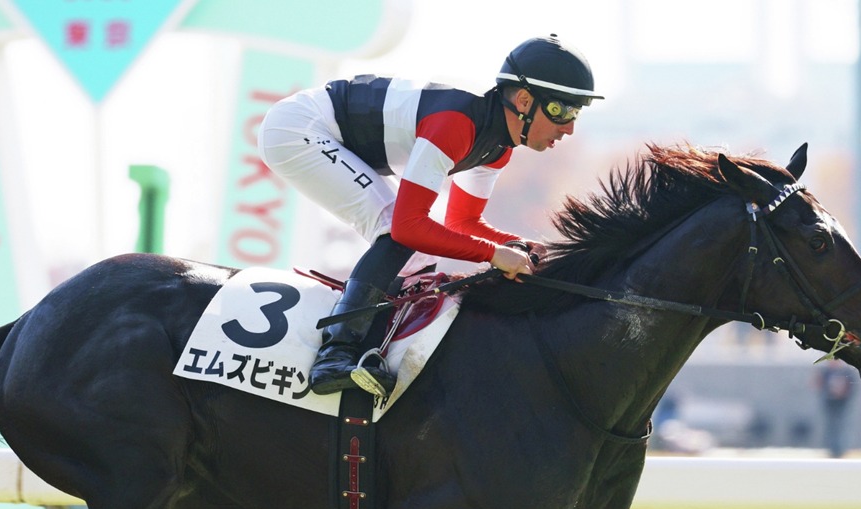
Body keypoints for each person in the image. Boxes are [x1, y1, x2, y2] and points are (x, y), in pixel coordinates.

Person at [258, 34, 603, 397]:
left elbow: (461, 224)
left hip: (327, 132)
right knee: (397, 231)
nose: (569, 128)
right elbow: (409, 227)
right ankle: (335, 355)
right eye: (561, 111)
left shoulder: (498, 148)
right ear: (524, 100)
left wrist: (514, 244)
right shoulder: (457, 123)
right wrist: (493, 254)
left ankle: (377, 348)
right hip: (298, 129)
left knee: (420, 252)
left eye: (576, 113)